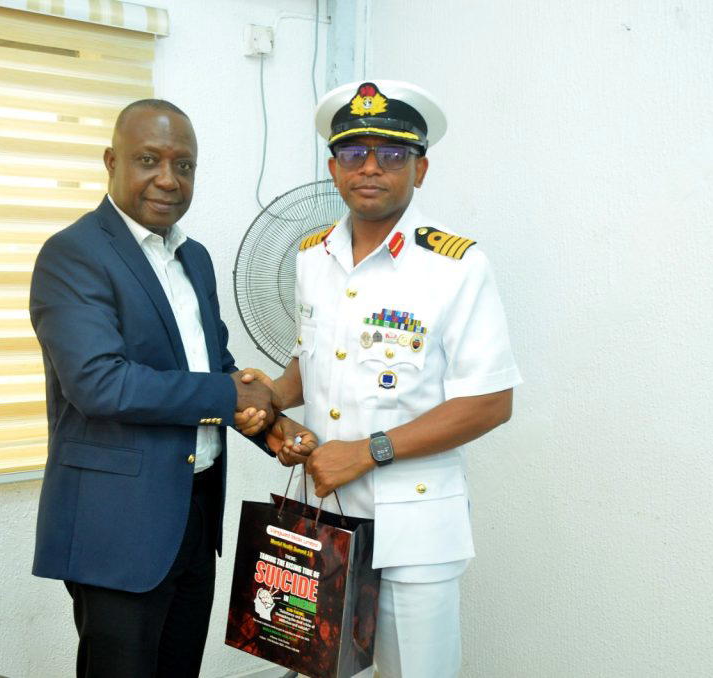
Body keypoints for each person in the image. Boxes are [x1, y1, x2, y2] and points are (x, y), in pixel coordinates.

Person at [246, 80, 523, 677]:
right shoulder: (311, 257)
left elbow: (491, 401)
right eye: (353, 153)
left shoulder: (456, 266)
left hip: (415, 527)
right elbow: (313, 357)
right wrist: (272, 393)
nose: (370, 168)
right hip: (324, 511)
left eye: (391, 155)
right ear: (333, 167)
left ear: (420, 170)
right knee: (317, 669)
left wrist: (368, 452)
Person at [28, 99, 314, 678]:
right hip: (119, 528)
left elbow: (216, 367)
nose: (167, 178)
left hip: (196, 515)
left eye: (183, 165)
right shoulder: (73, 255)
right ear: (111, 162)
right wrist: (232, 396)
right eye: (148, 159)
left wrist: (275, 431)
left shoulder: (196, 259)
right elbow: (99, 384)